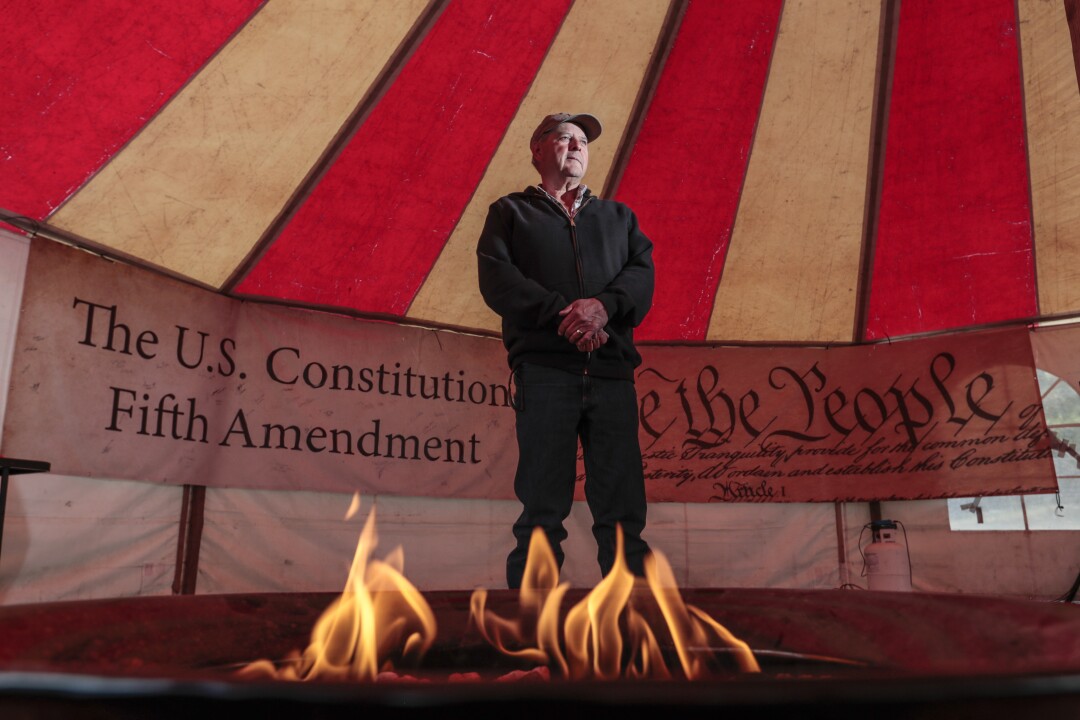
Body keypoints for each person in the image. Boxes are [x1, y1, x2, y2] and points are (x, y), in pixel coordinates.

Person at [477, 112, 654, 589]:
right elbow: (498, 279)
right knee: (541, 510)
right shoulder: (509, 212)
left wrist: (602, 307)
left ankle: (633, 633)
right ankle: (532, 639)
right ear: (537, 150)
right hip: (545, 374)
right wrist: (565, 315)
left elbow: (641, 278)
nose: (576, 145)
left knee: (622, 512)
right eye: (564, 138)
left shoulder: (619, 218)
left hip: (611, 377)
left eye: (583, 141)